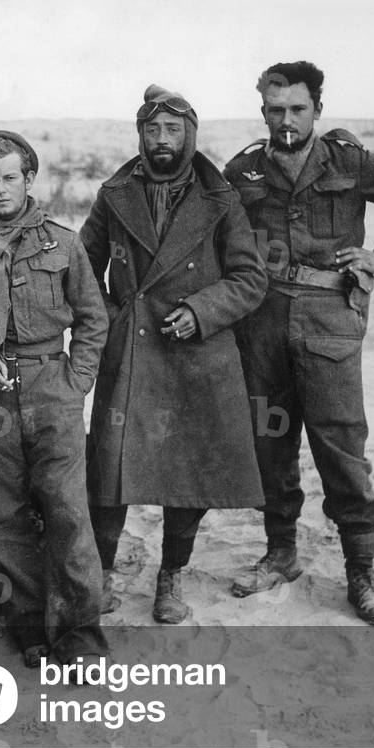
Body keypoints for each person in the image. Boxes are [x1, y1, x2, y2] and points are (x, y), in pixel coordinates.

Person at [224, 61, 374, 624]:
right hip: (262, 321)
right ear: (262, 110)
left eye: (297, 108)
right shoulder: (243, 171)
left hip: (329, 319)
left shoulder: (348, 160)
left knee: (341, 446)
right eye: (275, 110)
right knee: (270, 441)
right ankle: (282, 553)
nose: (285, 120)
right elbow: (215, 230)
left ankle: (361, 573)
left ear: (318, 108)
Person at [81, 85, 267, 623]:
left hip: (198, 356)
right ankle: (103, 571)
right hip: (134, 352)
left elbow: (250, 278)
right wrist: (115, 316)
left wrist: (202, 311)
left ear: (190, 134)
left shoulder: (221, 199)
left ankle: (170, 577)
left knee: (188, 470)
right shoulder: (115, 194)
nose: (162, 141)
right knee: (111, 468)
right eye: (152, 130)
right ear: (140, 135)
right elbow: (83, 266)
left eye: (173, 129)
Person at [0, 130, 109, 665]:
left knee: (68, 512)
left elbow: (92, 318)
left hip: (49, 386)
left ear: (29, 179)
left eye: (10, 178)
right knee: (1, 515)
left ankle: (80, 635)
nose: (0, 189)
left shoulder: (62, 243)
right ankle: (30, 623)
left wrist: (76, 380)